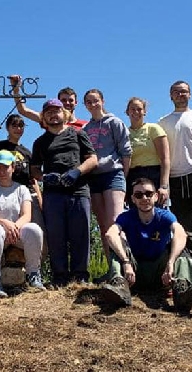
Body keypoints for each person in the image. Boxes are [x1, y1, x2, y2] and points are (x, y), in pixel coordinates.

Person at [101, 178, 192, 312]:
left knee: (181, 249)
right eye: (139, 195)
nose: (144, 198)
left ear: (156, 197)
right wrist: (126, 262)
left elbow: (181, 234)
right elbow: (110, 234)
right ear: (133, 199)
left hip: (162, 276)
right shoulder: (126, 217)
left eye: (149, 194)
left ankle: (182, 290)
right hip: (133, 274)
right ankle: (119, 286)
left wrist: (171, 263)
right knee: (117, 243)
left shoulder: (165, 216)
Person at [31, 99, 97, 286]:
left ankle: (80, 276)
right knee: (56, 236)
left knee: (81, 234)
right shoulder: (40, 142)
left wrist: (77, 172)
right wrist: (44, 177)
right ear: (44, 117)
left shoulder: (78, 134)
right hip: (53, 194)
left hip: (78, 191)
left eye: (57, 111)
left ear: (64, 113)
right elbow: (34, 169)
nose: (53, 114)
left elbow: (92, 159)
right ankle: (59, 277)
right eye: (49, 112)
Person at [158, 80, 192, 274]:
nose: (181, 95)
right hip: (175, 177)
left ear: (190, 94)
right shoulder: (163, 122)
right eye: (176, 92)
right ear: (170, 95)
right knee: (184, 222)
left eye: (184, 92)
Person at [0, 150, 45, 298]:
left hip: (17, 230)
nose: (2, 171)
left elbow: (27, 215)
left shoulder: (22, 189)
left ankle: (33, 274)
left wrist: (14, 227)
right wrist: (6, 223)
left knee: (35, 229)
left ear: (13, 167)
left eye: (5, 167)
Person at [82, 89, 132, 264]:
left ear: (102, 101)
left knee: (115, 222)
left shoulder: (114, 122)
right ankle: (112, 267)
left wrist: (123, 176)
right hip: (94, 178)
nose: (93, 104)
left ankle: (126, 263)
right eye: (88, 102)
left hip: (113, 174)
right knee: (103, 226)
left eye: (95, 101)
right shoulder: (86, 129)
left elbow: (125, 151)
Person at [0, 114, 45, 232]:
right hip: (4, 193)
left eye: (21, 126)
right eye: (14, 125)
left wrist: (40, 199)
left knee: (38, 229)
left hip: (27, 193)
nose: (18, 129)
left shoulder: (26, 152)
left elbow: (32, 178)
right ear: (7, 127)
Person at [125, 97, 170, 206]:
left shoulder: (154, 129)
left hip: (153, 174)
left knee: (157, 212)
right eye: (132, 109)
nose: (136, 112)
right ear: (127, 112)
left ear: (144, 112)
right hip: (133, 176)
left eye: (139, 109)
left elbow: (165, 159)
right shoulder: (124, 133)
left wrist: (164, 186)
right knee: (135, 213)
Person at [10, 75, 87, 130]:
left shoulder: (85, 125)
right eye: (63, 100)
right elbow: (23, 110)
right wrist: (16, 90)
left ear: (76, 102)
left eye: (71, 100)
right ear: (58, 102)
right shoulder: (49, 119)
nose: (67, 103)